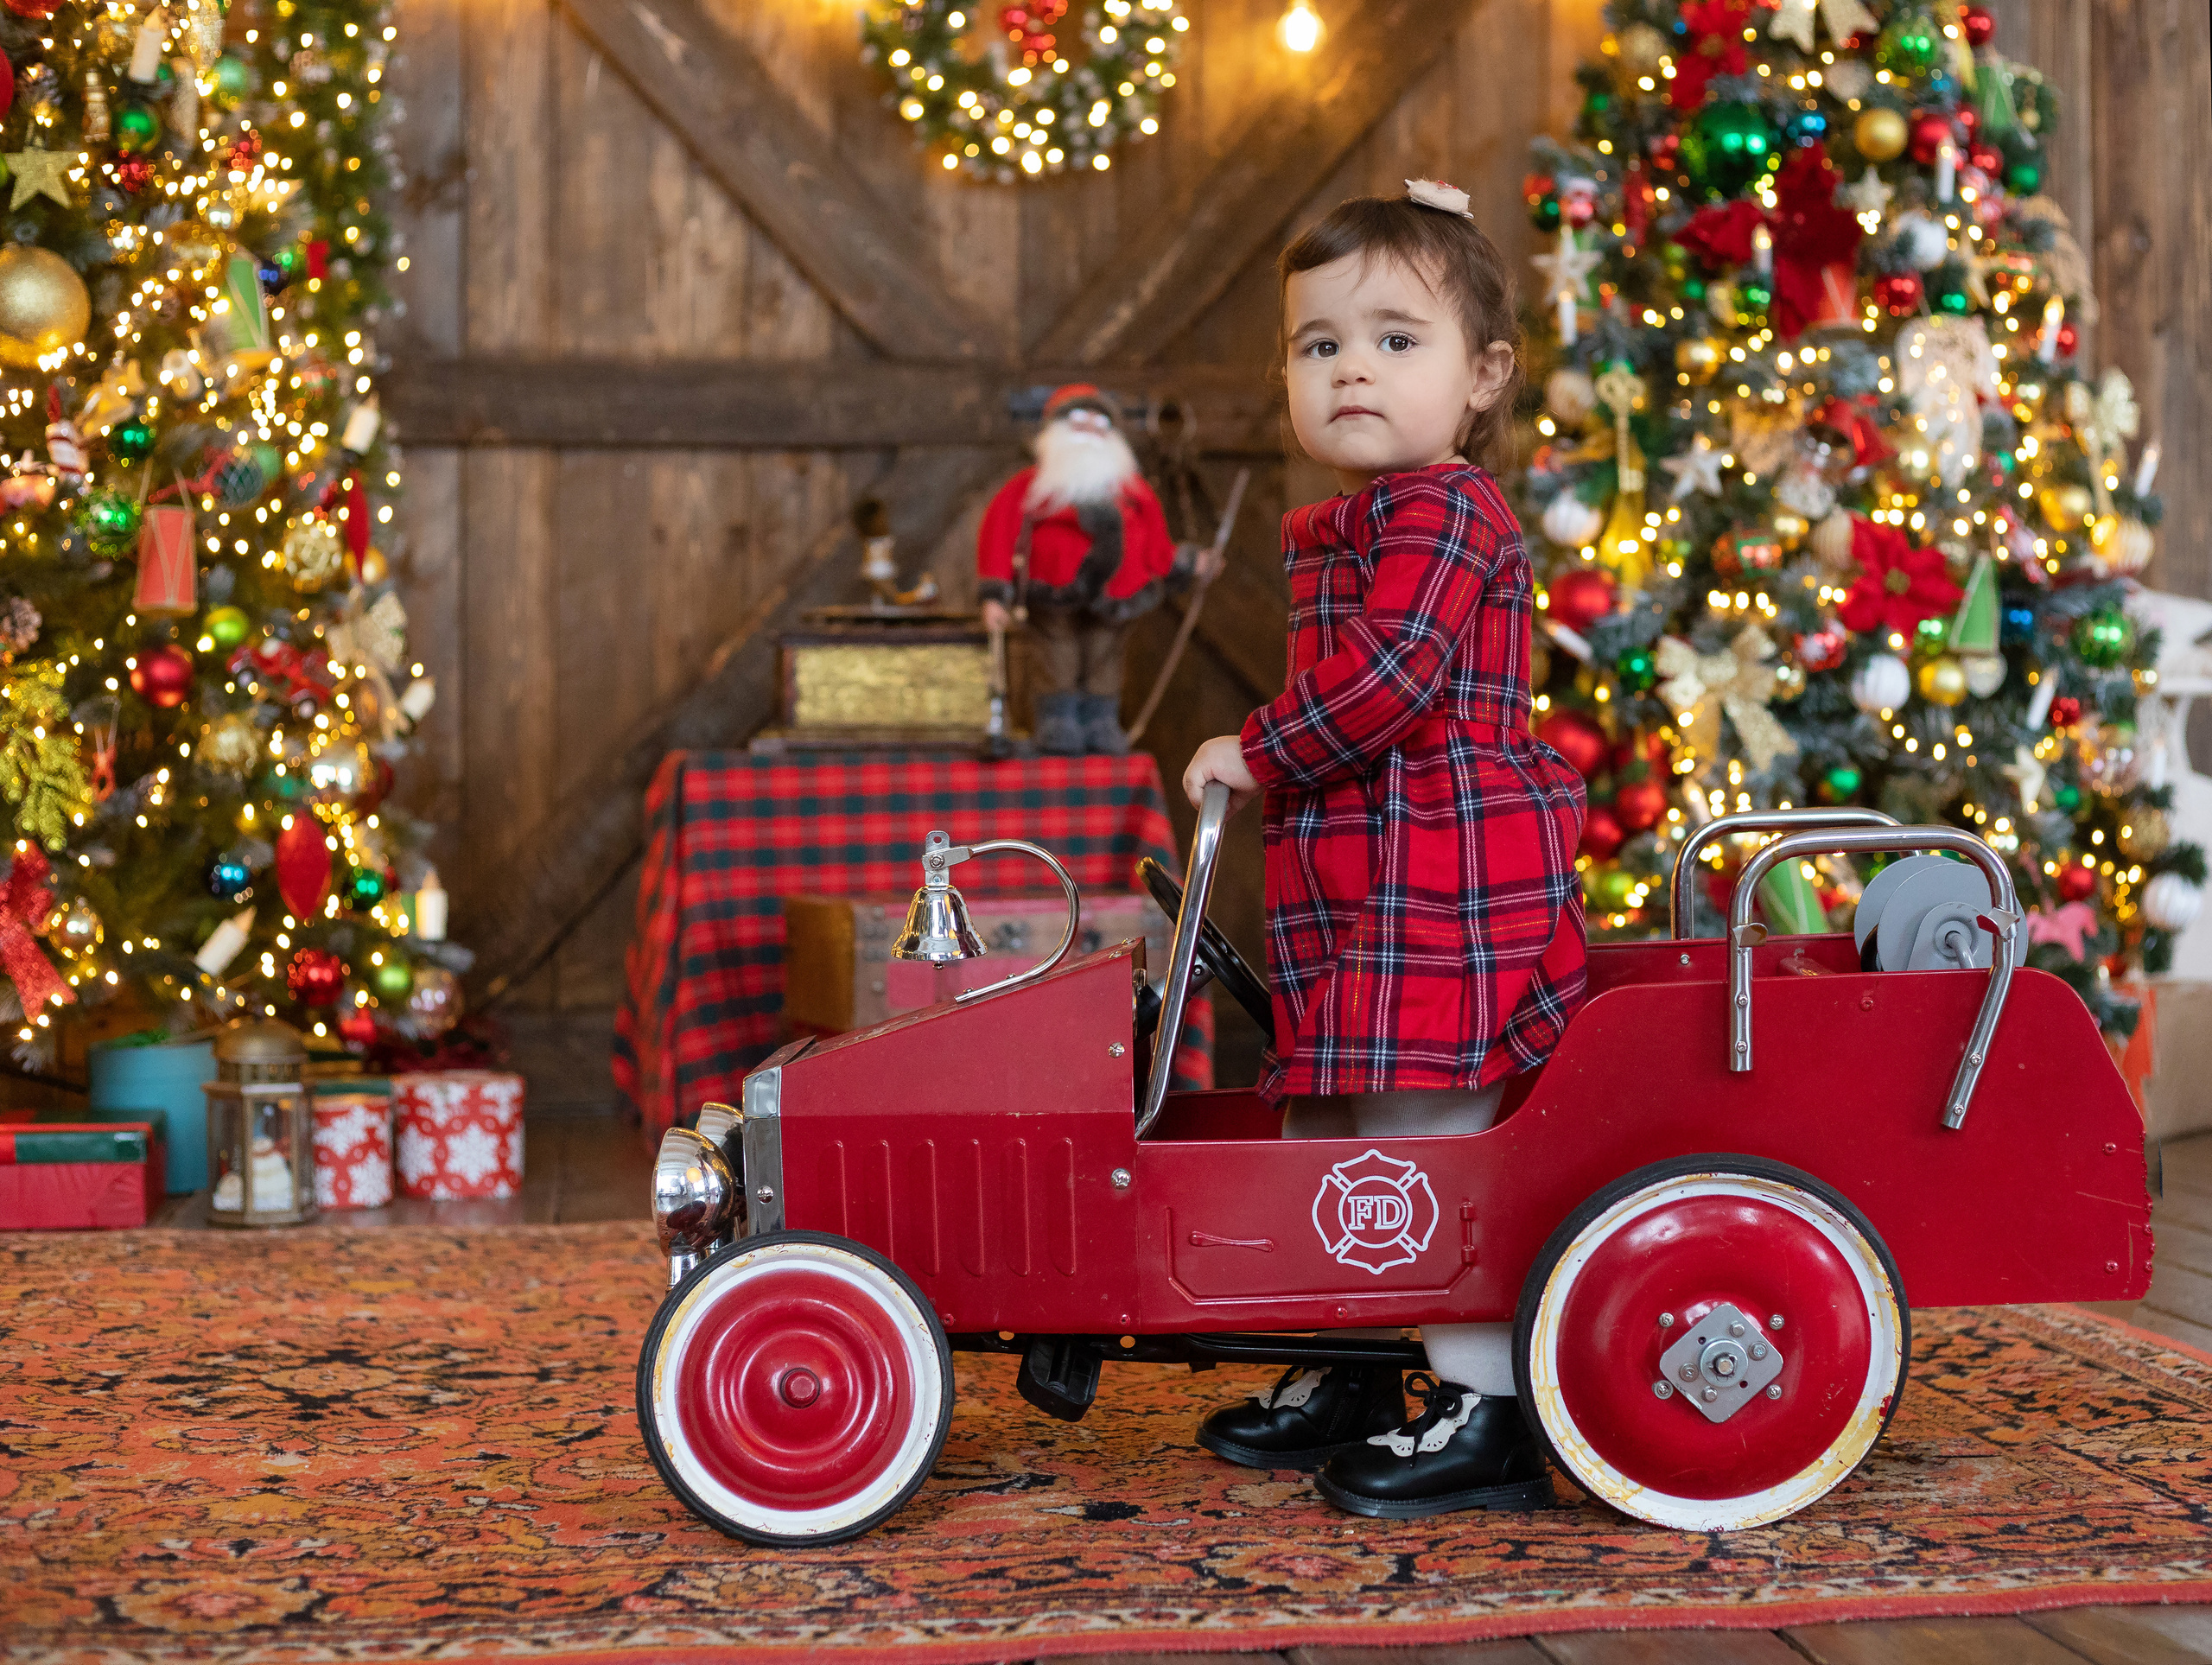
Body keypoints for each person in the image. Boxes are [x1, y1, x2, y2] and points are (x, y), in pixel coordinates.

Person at [1180, 181, 1588, 1519]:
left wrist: (1256, 746)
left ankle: (1488, 1401)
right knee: (1330, 1124)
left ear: (1484, 377)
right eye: (1320, 343)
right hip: (1361, 883)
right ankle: (1357, 1362)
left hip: (1440, 877)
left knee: (1424, 1130)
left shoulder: (1450, 508)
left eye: (1396, 339)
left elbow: (1392, 679)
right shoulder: (1359, 519)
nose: (1351, 366)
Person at [976, 385, 1220, 755]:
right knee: (1056, 655)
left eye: (1100, 422)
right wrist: (995, 593)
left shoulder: (1134, 490)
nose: (1090, 429)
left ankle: (1100, 722)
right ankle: (1057, 722)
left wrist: (1186, 563)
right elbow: (998, 534)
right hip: (1052, 591)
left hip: (1118, 594)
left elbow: (1156, 543)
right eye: (1079, 420)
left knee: (1105, 655)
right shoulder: (1030, 487)